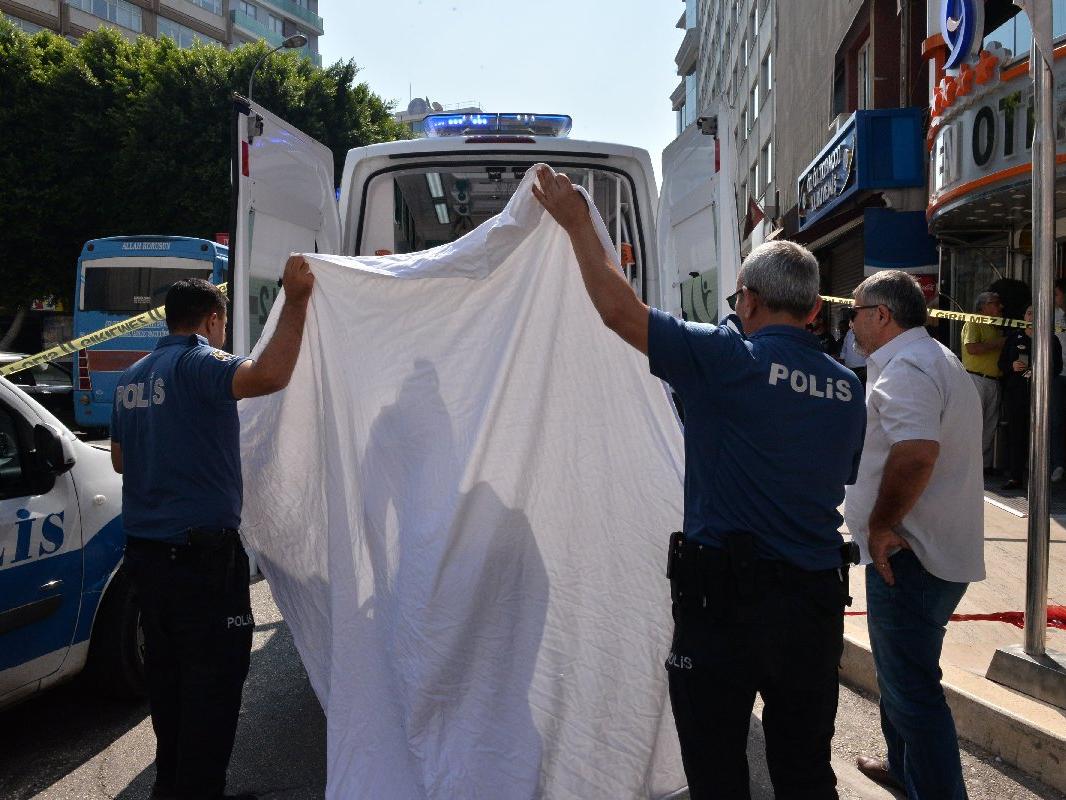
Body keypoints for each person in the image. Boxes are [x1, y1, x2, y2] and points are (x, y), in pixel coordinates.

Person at [533, 165, 866, 800]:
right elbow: (836, 473)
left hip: (724, 607)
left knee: (716, 773)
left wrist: (577, 224)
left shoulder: (725, 358)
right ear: (815, 310)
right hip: (812, 606)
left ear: (748, 300)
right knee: (804, 769)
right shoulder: (847, 388)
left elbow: (617, 311)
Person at [110, 258, 314, 800]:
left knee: (169, 681)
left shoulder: (131, 377)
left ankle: (170, 786)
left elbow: (120, 460)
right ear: (211, 319)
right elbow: (268, 376)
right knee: (214, 683)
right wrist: (296, 299)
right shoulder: (199, 362)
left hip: (147, 560)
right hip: (199, 563)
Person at [844, 270, 985, 800]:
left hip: (911, 555)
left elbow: (916, 454)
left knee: (911, 689)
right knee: (900, 676)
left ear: (882, 315)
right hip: (924, 550)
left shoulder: (908, 369)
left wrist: (880, 526)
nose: (849, 324)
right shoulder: (931, 359)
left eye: (855, 313)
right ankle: (904, 768)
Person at [998, 305, 1063, 490]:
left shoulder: (1051, 339)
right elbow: (1001, 364)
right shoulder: (1013, 337)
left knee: (1041, 436)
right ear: (1023, 316)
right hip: (1016, 394)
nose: (1032, 316)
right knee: (1016, 435)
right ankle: (1015, 477)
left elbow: (1057, 367)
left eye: (1036, 313)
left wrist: (1041, 370)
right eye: (1029, 313)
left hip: (1041, 395)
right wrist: (1012, 366)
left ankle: (1040, 478)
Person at [960, 291, 1005, 471]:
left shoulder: (995, 325)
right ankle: (968, 466)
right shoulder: (974, 321)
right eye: (996, 303)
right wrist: (999, 343)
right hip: (976, 379)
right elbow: (972, 348)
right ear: (983, 306)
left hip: (994, 381)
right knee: (974, 424)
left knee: (989, 426)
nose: (1000, 307)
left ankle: (982, 467)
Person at [839, 318, 868, 383]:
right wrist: (842, 361)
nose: (850, 324)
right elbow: (844, 349)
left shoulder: (866, 332)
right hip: (848, 368)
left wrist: (866, 368)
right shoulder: (849, 333)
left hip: (861, 368)